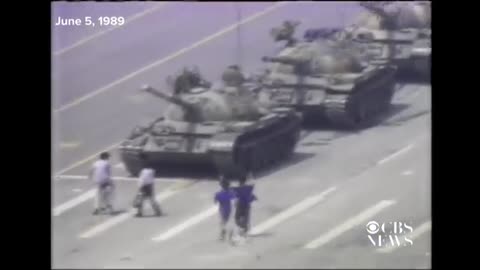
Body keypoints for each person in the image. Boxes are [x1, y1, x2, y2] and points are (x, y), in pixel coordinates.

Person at [214, 177, 237, 242]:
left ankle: (223, 234)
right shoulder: (231, 192)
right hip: (229, 208)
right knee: (228, 221)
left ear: (221, 185)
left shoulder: (218, 194)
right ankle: (230, 234)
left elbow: (215, 202)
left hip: (222, 209)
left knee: (222, 222)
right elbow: (235, 200)